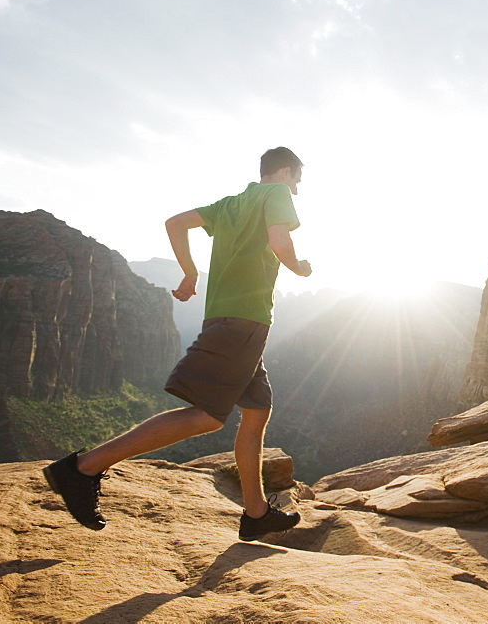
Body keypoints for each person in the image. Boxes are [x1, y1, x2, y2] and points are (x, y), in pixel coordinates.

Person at [42, 146, 312, 542]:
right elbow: (278, 241)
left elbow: (174, 223)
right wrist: (300, 267)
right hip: (242, 323)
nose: (297, 190)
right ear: (285, 172)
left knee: (256, 411)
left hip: (232, 320)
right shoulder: (276, 194)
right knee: (207, 416)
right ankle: (81, 469)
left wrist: (190, 273)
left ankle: (256, 513)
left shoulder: (229, 204)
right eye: (297, 182)